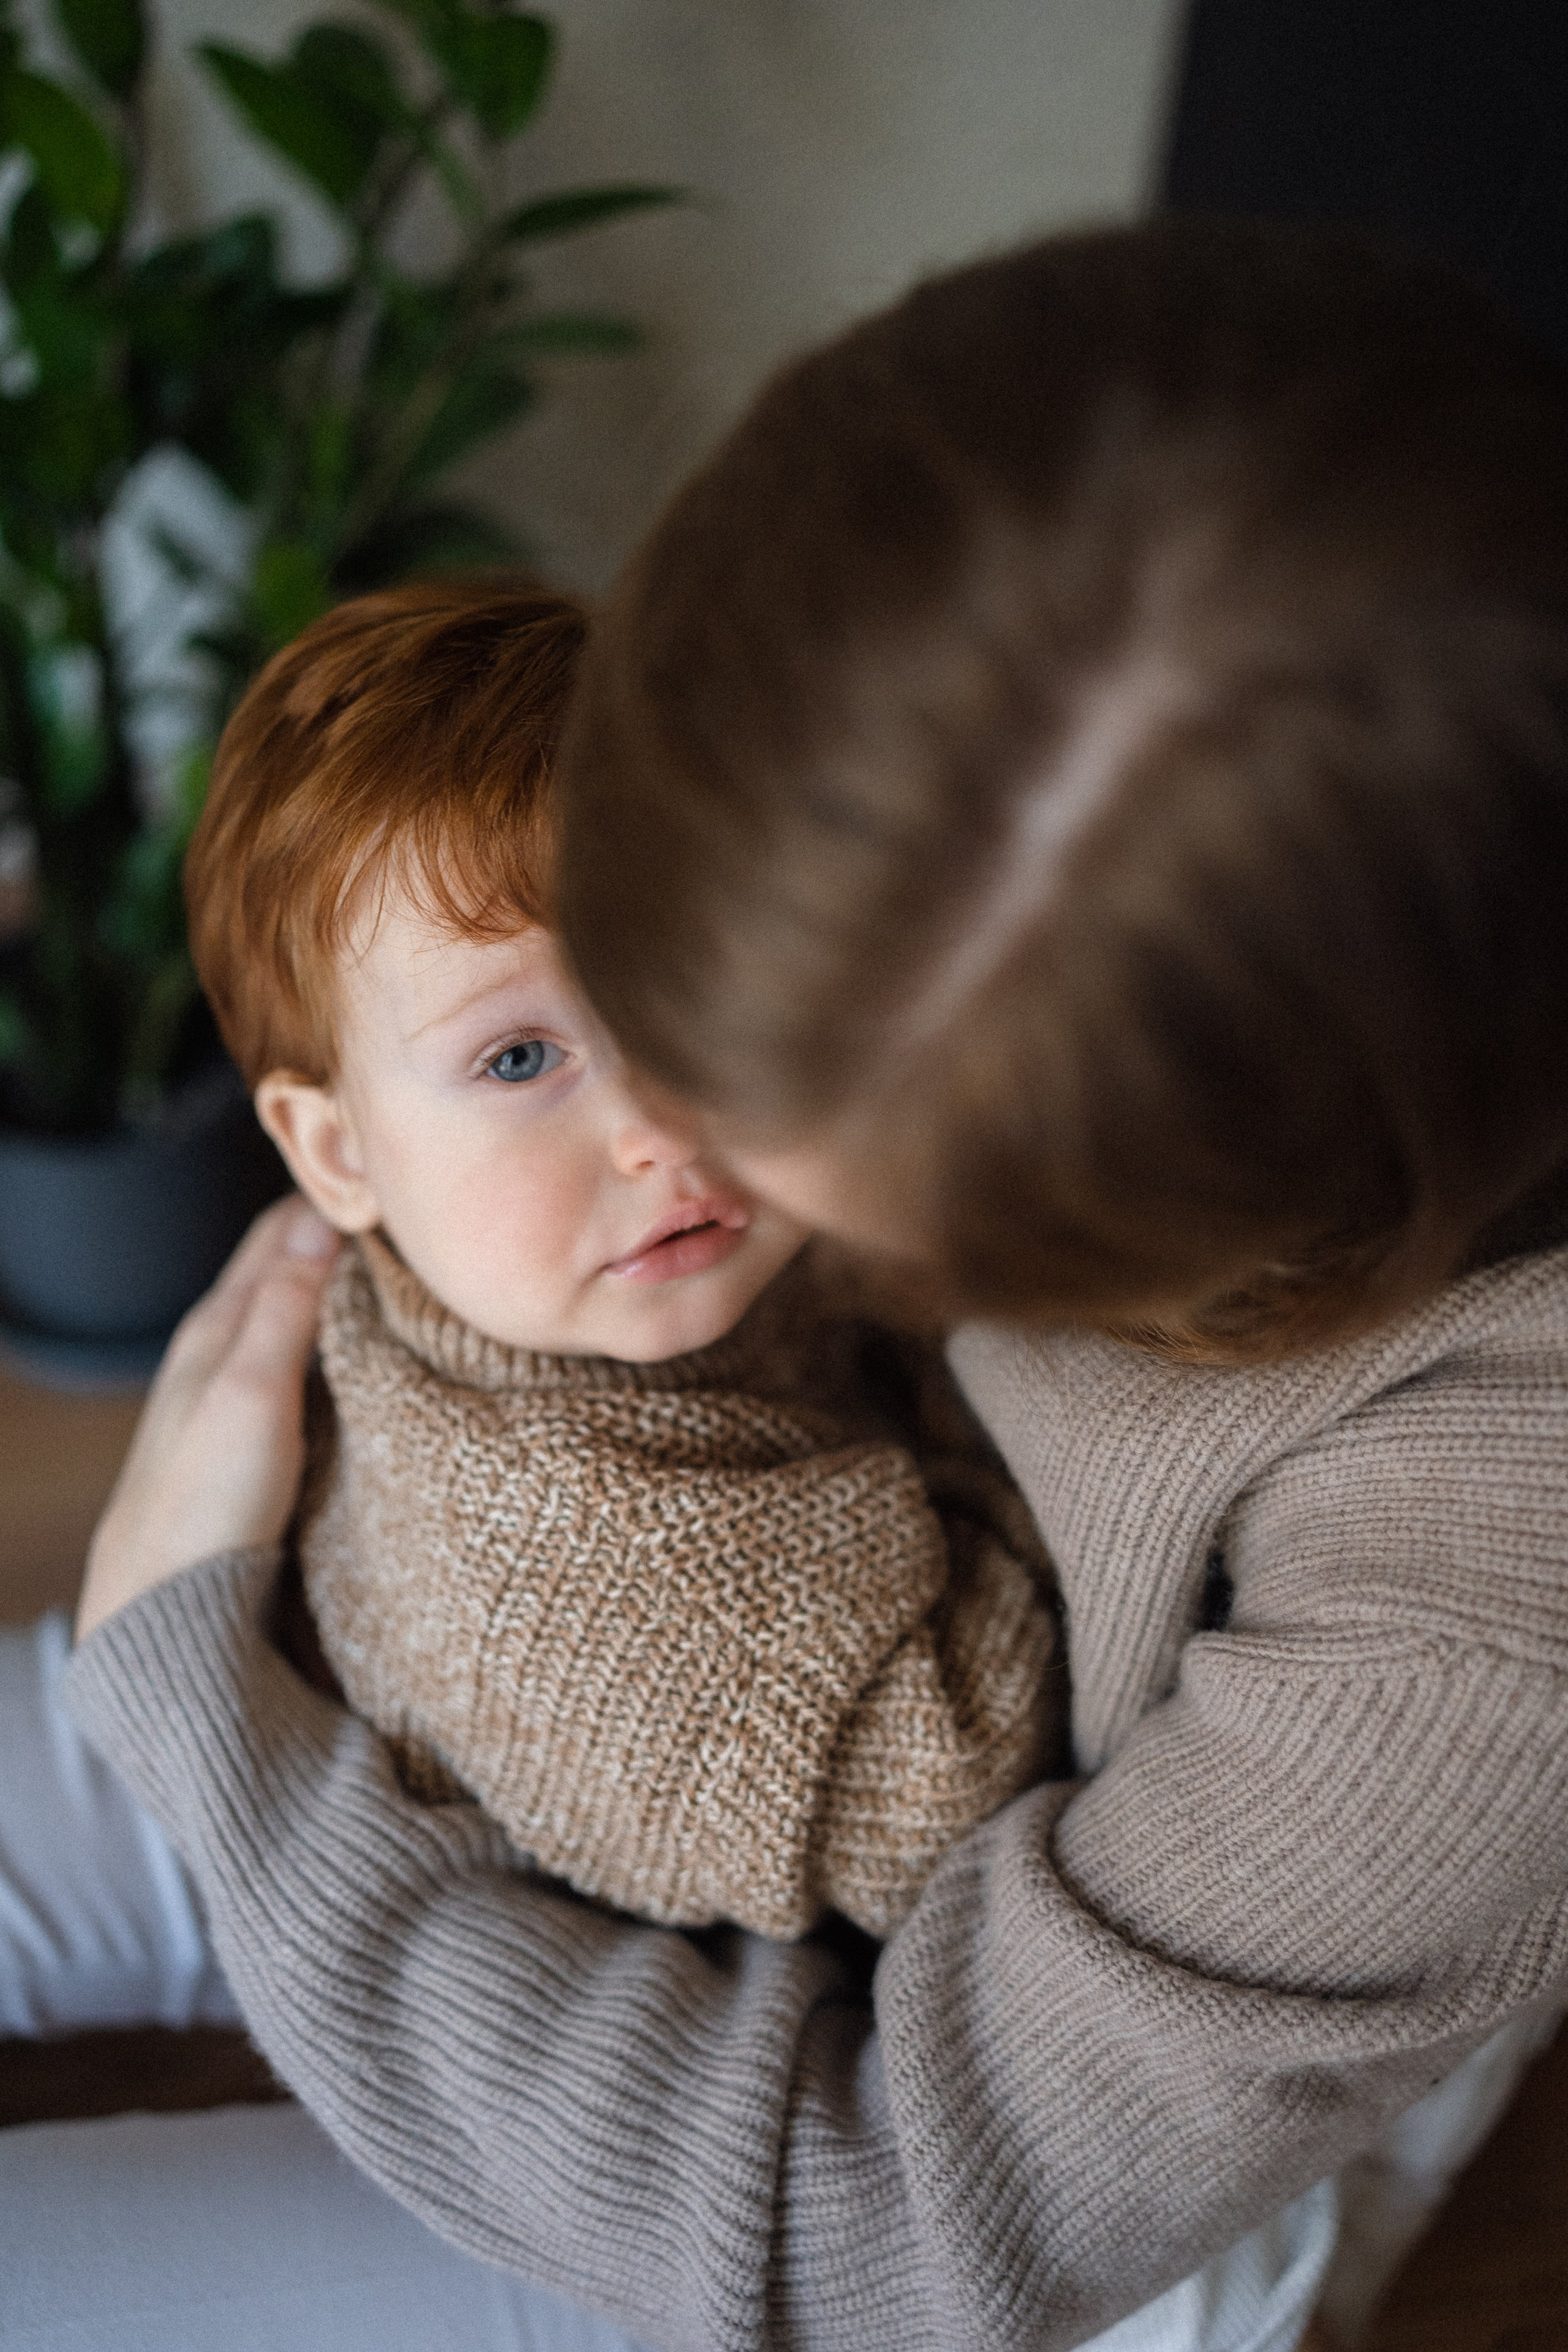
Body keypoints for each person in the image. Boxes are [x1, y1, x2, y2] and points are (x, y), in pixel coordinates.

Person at [13, 216, 1568, 2351]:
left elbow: (878, 2229)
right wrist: (237, 1619)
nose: (661, 1138)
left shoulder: (1482, 1623)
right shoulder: (1059, 536)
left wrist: (209, 1716)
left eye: (748, 1100)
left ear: (1063, 1242)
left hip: (878, 2151)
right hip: (412, 1656)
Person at [181, 576, 1058, 1941]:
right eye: (519, 1058)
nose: (657, 1129)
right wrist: (1005, 1405)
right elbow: (958, 1800)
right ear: (338, 1153)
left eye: (692, 992)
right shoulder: (585, 1586)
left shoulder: (587, 1259)